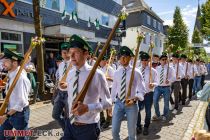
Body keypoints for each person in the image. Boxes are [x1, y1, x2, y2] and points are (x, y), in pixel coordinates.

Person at [60, 34, 112, 140]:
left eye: (76, 52)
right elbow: (71, 90)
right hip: (70, 123)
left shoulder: (97, 74)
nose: (72, 56)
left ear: (86, 54)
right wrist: (62, 87)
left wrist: (88, 108)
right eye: (70, 52)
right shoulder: (70, 73)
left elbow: (108, 103)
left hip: (88, 128)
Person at [111, 46, 145, 140]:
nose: (122, 58)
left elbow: (142, 90)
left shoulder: (136, 72)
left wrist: (135, 99)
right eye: (121, 56)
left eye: (125, 56)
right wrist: (111, 102)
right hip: (118, 104)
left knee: (131, 133)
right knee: (114, 131)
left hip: (131, 105)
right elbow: (114, 88)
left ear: (130, 58)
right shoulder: (117, 72)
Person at [0, 48, 31, 140]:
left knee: (22, 138)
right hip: (9, 110)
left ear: (14, 63)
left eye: (5, 62)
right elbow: (12, 90)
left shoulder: (20, 78)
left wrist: (6, 116)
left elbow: (21, 102)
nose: (3, 64)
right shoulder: (12, 73)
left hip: (19, 114)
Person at [136, 52, 158, 135]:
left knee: (148, 111)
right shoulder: (137, 70)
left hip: (149, 94)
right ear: (141, 61)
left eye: (146, 60)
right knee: (137, 110)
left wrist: (153, 84)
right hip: (138, 94)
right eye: (143, 60)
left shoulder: (153, 71)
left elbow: (157, 81)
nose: (145, 62)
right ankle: (138, 126)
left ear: (149, 61)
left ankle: (146, 126)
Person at [52, 42, 71, 132]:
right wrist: (56, 88)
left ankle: (68, 134)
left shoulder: (74, 64)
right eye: (63, 52)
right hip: (60, 93)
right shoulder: (61, 65)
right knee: (55, 115)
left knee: (68, 116)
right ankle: (66, 130)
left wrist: (68, 85)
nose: (65, 54)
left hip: (69, 93)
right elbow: (59, 78)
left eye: (67, 52)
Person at [152, 53, 175, 121]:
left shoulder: (170, 68)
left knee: (166, 103)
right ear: (160, 60)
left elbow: (173, 77)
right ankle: (157, 114)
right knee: (155, 100)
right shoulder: (157, 68)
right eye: (163, 59)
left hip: (166, 88)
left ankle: (165, 115)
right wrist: (153, 83)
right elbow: (154, 78)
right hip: (158, 87)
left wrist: (170, 80)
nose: (164, 61)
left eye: (166, 59)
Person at [99, 55, 115, 129]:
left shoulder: (110, 69)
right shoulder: (99, 69)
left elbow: (115, 80)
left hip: (109, 88)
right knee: (99, 105)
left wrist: (108, 78)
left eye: (101, 61)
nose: (100, 62)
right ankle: (102, 119)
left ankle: (108, 120)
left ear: (105, 61)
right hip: (100, 89)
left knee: (108, 105)